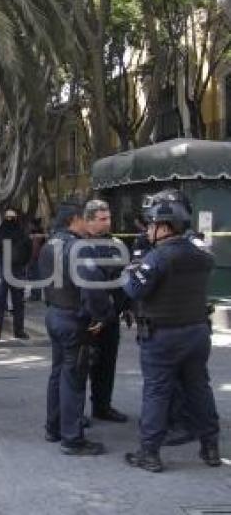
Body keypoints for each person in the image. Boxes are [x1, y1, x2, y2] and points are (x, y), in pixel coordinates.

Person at [122, 197, 221, 473]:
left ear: (165, 227)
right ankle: (210, 447)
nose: (148, 230)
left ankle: (149, 453)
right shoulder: (201, 254)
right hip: (198, 331)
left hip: (163, 335)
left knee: (156, 392)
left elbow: (133, 291)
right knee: (199, 388)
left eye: (152, 224)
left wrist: (132, 273)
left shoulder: (158, 257)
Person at [39, 202, 111, 456]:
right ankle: (72, 438)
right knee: (73, 378)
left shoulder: (50, 245)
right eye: (84, 219)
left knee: (58, 372)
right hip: (73, 319)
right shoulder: (77, 248)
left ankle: (54, 426)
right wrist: (102, 315)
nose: (87, 224)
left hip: (55, 314)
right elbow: (92, 288)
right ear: (74, 220)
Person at [83, 199, 128, 423]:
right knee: (83, 366)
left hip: (111, 316)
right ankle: (76, 413)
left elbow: (124, 277)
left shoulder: (116, 243)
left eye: (109, 218)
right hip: (89, 316)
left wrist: (125, 307)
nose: (107, 223)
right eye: (102, 219)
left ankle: (103, 406)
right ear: (89, 221)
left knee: (107, 364)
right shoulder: (80, 245)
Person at [0, 209, 31, 340]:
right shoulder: (21, 233)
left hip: (6, 270)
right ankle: (17, 331)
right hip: (14, 270)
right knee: (15, 303)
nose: (10, 220)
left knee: (2, 303)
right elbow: (28, 250)